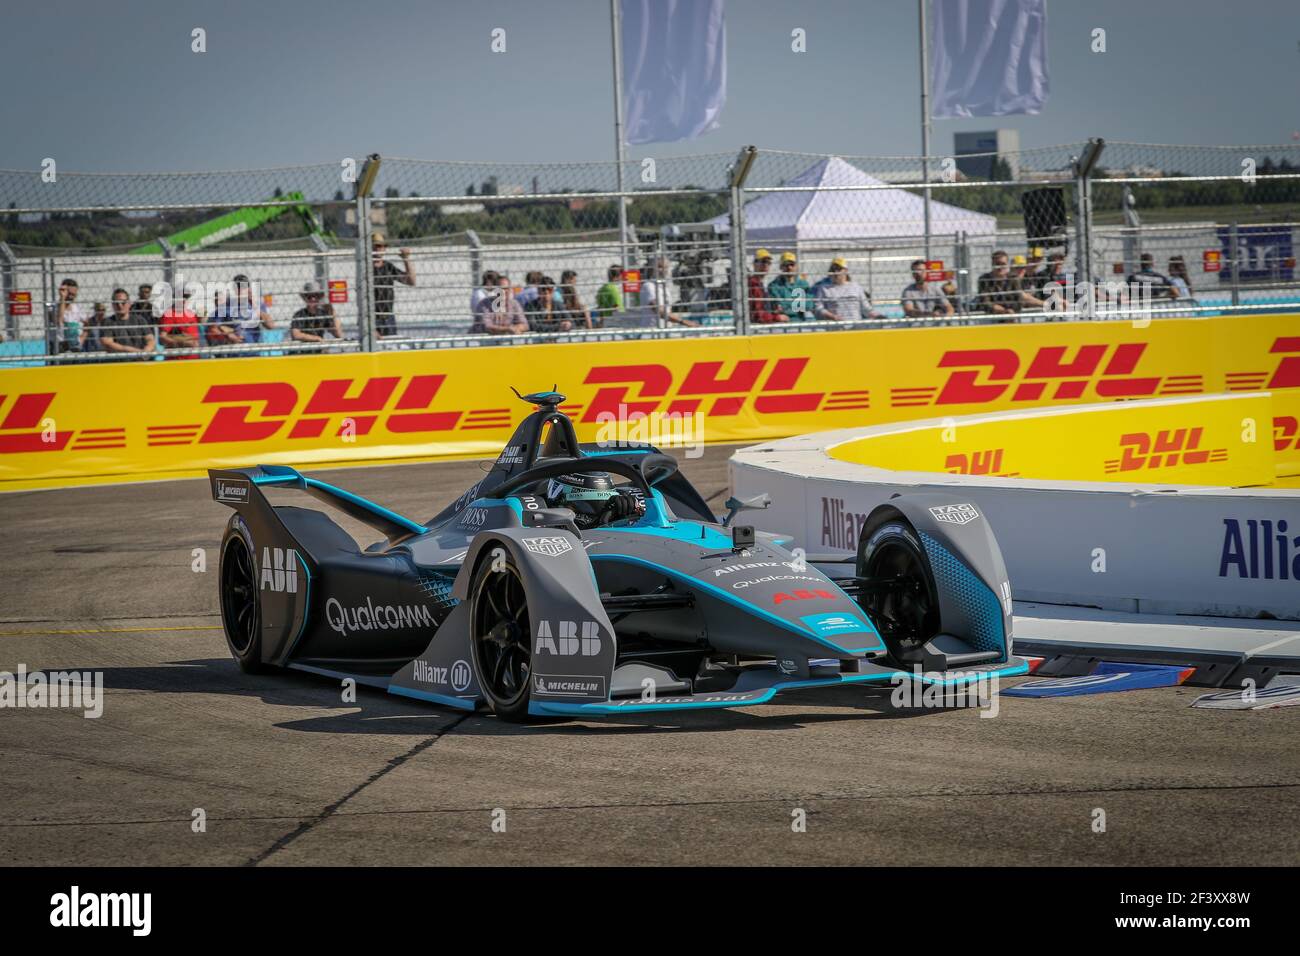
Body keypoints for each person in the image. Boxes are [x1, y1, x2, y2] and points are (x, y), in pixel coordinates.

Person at [542, 471, 646, 531]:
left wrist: (626, 518)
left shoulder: (630, 503)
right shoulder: (537, 519)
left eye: (602, 506)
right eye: (586, 507)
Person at [370, 233, 416, 337]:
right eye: (376, 246)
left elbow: (411, 281)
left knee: (391, 347)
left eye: (381, 246)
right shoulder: (366, 268)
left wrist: (406, 259)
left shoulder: (388, 266)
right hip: (372, 317)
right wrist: (369, 327)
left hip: (388, 316)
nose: (379, 249)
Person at [812, 257, 883, 322]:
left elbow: (866, 309)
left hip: (855, 326)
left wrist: (878, 316)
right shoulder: (824, 288)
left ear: (845, 271)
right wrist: (833, 317)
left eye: (838, 269)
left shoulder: (856, 287)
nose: (835, 272)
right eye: (833, 269)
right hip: (835, 327)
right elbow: (818, 308)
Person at [211, 274, 274, 344]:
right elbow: (214, 328)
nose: (241, 290)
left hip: (255, 349)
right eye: (238, 287)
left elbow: (270, 326)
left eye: (244, 287)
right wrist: (228, 335)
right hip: (235, 350)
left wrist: (254, 305)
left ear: (248, 288)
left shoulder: (257, 304)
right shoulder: (226, 306)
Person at [638, 257, 698, 328]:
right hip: (652, 331)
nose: (664, 270)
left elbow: (667, 310)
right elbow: (659, 311)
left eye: (666, 267)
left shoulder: (664, 287)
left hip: (665, 330)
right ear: (652, 269)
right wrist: (683, 321)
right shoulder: (649, 286)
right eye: (660, 267)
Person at [101, 286, 157, 357]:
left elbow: (150, 340)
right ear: (112, 304)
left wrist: (145, 352)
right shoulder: (107, 322)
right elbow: (108, 344)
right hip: (119, 363)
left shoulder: (140, 320)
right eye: (116, 303)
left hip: (141, 361)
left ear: (129, 303)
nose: (120, 305)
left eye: (123, 302)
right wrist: (138, 353)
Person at [977, 250, 1037, 315]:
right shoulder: (984, 280)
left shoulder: (1013, 279)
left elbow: (1019, 301)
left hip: (1012, 315)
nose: (1000, 267)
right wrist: (1004, 311)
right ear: (992, 264)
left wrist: (1010, 311)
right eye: (997, 264)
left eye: (1003, 264)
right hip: (991, 317)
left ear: (1007, 265)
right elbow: (985, 302)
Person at [290, 280, 343, 353]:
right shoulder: (299, 314)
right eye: (309, 296)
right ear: (305, 298)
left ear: (319, 297)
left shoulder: (323, 314)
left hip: (317, 352)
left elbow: (338, 334)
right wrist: (316, 338)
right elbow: (296, 334)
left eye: (316, 296)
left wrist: (332, 312)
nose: (313, 299)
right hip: (302, 353)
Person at [766, 252, 814, 320]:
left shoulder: (803, 284)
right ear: (781, 267)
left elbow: (809, 306)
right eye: (786, 265)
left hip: (801, 321)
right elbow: (778, 306)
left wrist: (787, 305)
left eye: (792, 264)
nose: (789, 267)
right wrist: (799, 305)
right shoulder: (774, 285)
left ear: (796, 266)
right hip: (784, 322)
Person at [157, 284, 200, 359]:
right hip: (178, 358)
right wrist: (183, 343)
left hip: (194, 356)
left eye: (186, 297)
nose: (183, 299)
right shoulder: (170, 314)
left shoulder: (191, 313)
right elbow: (162, 337)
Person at [747, 248, 785, 323]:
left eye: (768, 263)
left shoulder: (762, 284)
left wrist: (773, 311)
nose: (766, 265)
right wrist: (777, 317)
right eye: (763, 262)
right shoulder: (754, 284)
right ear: (755, 264)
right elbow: (758, 315)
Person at [49, 277, 86, 354]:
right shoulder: (53, 308)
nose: (71, 297)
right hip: (59, 345)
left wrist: (82, 339)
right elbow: (59, 321)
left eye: (74, 294)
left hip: (74, 344)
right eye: (69, 294)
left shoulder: (77, 308)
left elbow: (88, 323)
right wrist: (62, 298)